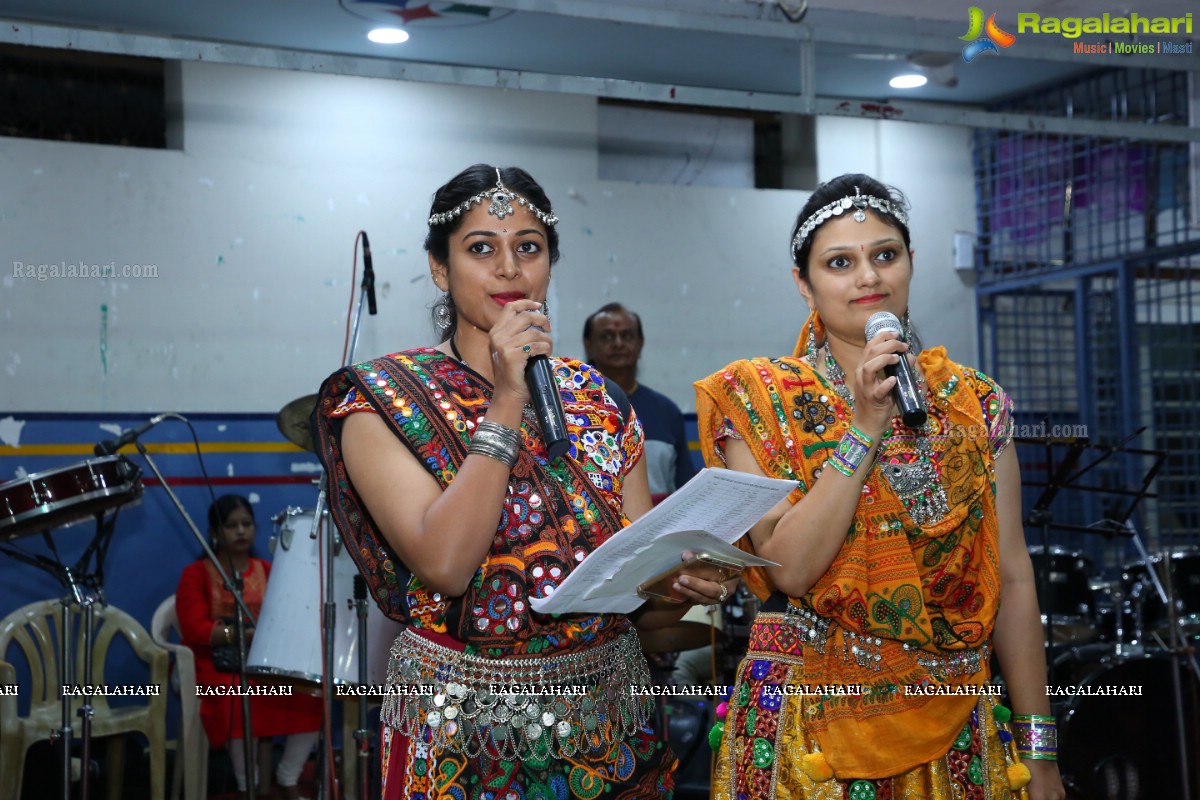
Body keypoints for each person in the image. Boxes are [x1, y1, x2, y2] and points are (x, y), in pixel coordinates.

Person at [310, 164, 736, 800]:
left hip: (609, 732)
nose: (509, 268)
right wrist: (507, 398)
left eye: (528, 248)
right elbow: (448, 566)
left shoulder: (599, 399)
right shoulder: (380, 404)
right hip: (465, 740)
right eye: (481, 248)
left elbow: (634, 596)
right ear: (438, 268)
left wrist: (677, 586)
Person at [693, 174, 1066, 800]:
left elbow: (1013, 573)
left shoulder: (976, 404)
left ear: (911, 264)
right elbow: (791, 568)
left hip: (955, 719)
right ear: (803, 283)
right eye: (840, 263)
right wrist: (864, 424)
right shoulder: (759, 400)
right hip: (808, 731)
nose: (868, 277)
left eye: (885, 255)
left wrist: (1040, 750)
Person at [176, 494, 322, 799]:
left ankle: (288, 776)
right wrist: (241, 634)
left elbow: (288, 614)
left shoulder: (268, 569)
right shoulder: (196, 574)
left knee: (310, 695)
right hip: (215, 665)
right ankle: (248, 784)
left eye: (246, 524)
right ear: (215, 532)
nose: (241, 531)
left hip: (264, 662)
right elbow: (194, 628)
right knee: (235, 698)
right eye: (231, 526)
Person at [583, 303, 698, 496]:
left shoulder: (666, 411)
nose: (618, 343)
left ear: (640, 343)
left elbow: (686, 490)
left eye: (627, 336)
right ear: (589, 344)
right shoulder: (571, 406)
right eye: (607, 336)